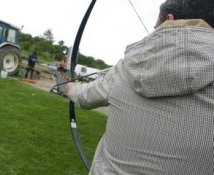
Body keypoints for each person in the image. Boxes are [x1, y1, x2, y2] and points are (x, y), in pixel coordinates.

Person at [65, 0, 214, 174]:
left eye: (156, 26)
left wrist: (70, 88)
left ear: (169, 19)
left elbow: (84, 97)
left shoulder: (125, 68)